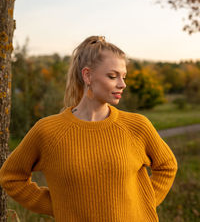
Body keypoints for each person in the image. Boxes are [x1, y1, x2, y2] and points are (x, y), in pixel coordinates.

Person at [0, 35, 178, 221]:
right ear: (87, 75)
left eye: (123, 76)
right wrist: (59, 205)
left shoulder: (137, 126)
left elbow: (167, 166)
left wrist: (142, 202)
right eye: (112, 76)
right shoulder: (48, 131)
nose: (122, 84)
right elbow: (11, 177)